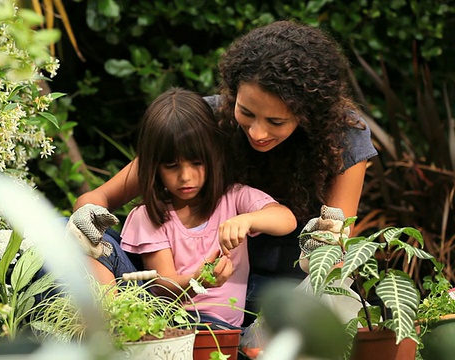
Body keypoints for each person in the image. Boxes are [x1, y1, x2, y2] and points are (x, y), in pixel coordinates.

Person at [71, 20, 378, 326]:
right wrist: (86, 217)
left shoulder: (342, 136)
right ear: (233, 94)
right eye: (246, 112)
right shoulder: (205, 121)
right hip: (173, 287)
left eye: (275, 121)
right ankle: (113, 329)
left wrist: (321, 241)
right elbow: (100, 196)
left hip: (278, 291)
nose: (258, 133)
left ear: (308, 113)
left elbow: (336, 240)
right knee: (62, 234)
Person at [74, 87, 296, 329]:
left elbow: (286, 219)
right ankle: (112, 326)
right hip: (166, 319)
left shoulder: (234, 198)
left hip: (220, 326)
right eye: (172, 166)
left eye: (197, 163)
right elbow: (162, 286)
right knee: (96, 245)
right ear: (154, 167)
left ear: (214, 157)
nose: (186, 177)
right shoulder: (150, 215)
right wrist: (197, 281)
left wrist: (248, 220)